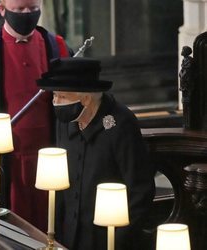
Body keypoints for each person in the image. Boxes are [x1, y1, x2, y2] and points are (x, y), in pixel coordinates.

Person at [0, 0, 70, 232]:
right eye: (20, 10)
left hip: (49, 159)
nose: (27, 15)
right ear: (2, 10)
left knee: (48, 228)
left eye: (33, 9)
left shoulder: (58, 47)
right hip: (2, 161)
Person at [37, 57, 155, 250]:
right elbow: (59, 183)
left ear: (85, 98)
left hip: (107, 239)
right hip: (68, 238)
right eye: (54, 96)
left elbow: (140, 190)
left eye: (62, 97)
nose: (55, 102)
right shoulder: (65, 121)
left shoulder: (121, 123)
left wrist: (116, 241)